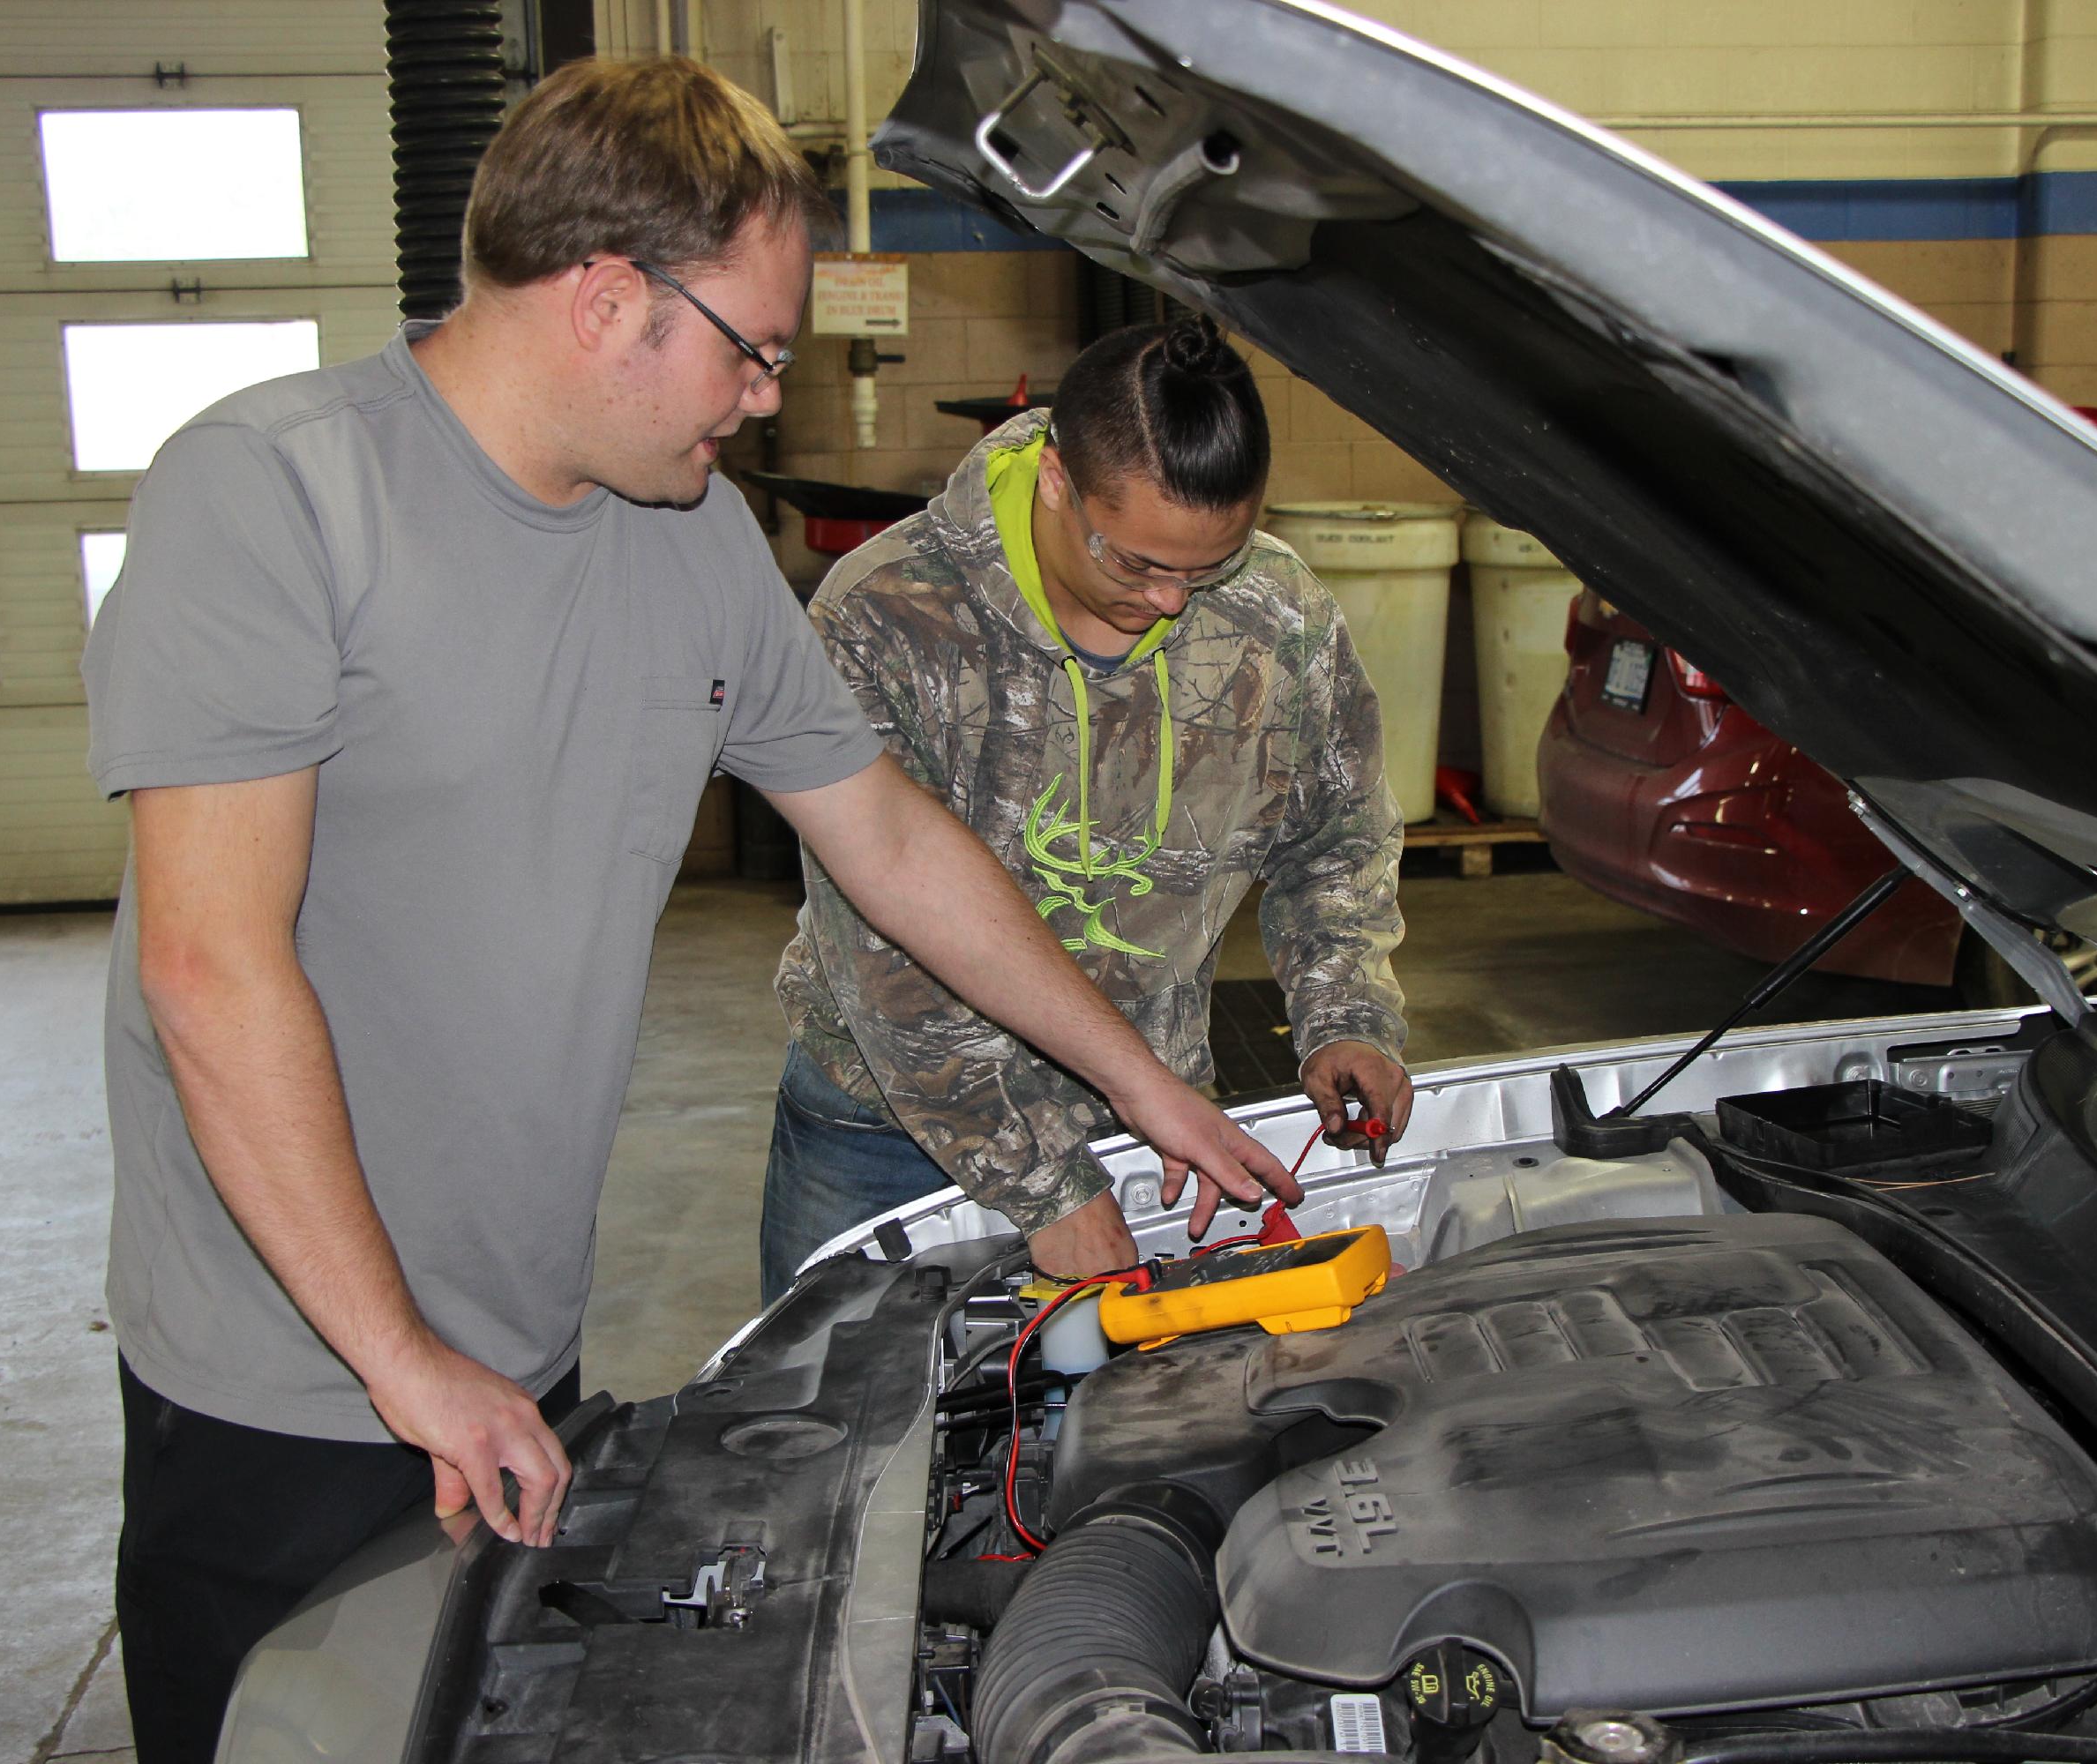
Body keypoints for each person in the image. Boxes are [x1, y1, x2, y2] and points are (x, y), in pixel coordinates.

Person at [79, 59, 1293, 1764]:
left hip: (513, 1333)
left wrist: (1141, 1082)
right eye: (754, 348)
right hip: (287, 1363)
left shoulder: (695, 539)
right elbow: (212, 968)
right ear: (605, 300)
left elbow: (882, 829)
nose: (767, 396)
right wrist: (401, 1359)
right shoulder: (277, 498)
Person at [760, 314, 1412, 1304]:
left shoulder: (1276, 613)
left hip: (1152, 1124)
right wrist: (1044, 1182)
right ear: (1058, 479)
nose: (1170, 603)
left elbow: (1334, 837)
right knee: (844, 1439)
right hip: (891, 1130)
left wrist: (1345, 1014)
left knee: (1110, 1443)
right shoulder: (887, 615)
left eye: (1207, 565)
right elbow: (885, 948)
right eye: (1135, 562)